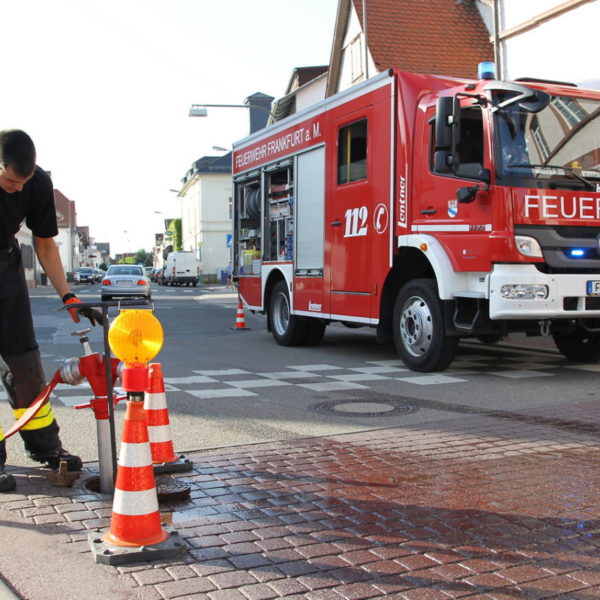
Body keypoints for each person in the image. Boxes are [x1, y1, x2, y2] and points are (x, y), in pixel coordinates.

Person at [0, 129, 103, 492]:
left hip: (5, 271)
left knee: (25, 367)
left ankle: (46, 447)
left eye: (23, 182)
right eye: (11, 181)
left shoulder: (38, 183)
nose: (17, 189)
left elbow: (44, 243)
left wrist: (68, 296)